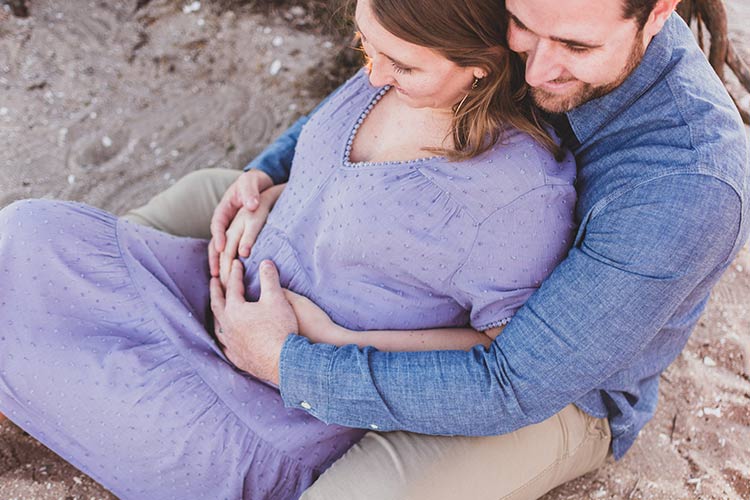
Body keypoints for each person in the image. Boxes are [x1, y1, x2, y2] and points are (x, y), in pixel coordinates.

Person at [121, 0, 750, 498]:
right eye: (521, 29)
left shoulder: (690, 184)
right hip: (409, 250)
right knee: (188, 206)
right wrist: (272, 174)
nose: (534, 73)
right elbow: (394, 67)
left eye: (577, 47)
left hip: (550, 395)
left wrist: (290, 363)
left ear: (659, 10)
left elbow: (514, 382)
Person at [0, 0, 579, 498]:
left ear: (481, 67)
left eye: (400, 64)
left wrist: (325, 341)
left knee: (49, 363)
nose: (372, 74)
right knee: (26, 234)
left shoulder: (516, 199)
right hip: (206, 292)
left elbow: (499, 353)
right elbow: (349, 190)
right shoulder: (393, 72)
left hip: (275, 411)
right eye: (363, 44)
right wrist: (271, 189)